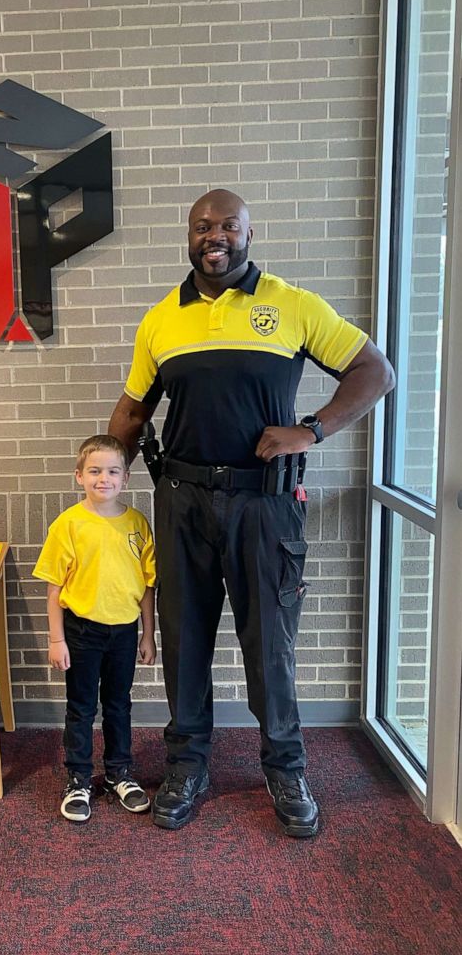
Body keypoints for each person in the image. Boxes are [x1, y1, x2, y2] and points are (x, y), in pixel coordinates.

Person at [108, 189, 395, 837]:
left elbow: (375, 371)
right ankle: (187, 765)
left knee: (270, 650)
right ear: (189, 235)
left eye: (228, 226)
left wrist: (312, 430)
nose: (216, 236)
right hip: (181, 502)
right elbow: (131, 412)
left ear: (248, 233)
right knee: (185, 646)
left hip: (265, 504)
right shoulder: (161, 321)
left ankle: (286, 767)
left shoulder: (292, 306)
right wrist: (104, 482)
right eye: (203, 226)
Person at [33, 435, 157, 822]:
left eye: (113, 471)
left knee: (119, 705)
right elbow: (54, 589)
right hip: (81, 632)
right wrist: (57, 639)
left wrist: (148, 634)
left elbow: (148, 586)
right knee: (82, 707)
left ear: (126, 478)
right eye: (95, 471)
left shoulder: (137, 523)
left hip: (123, 631)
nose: (104, 478)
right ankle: (79, 779)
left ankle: (120, 772)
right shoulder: (68, 525)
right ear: (79, 476)